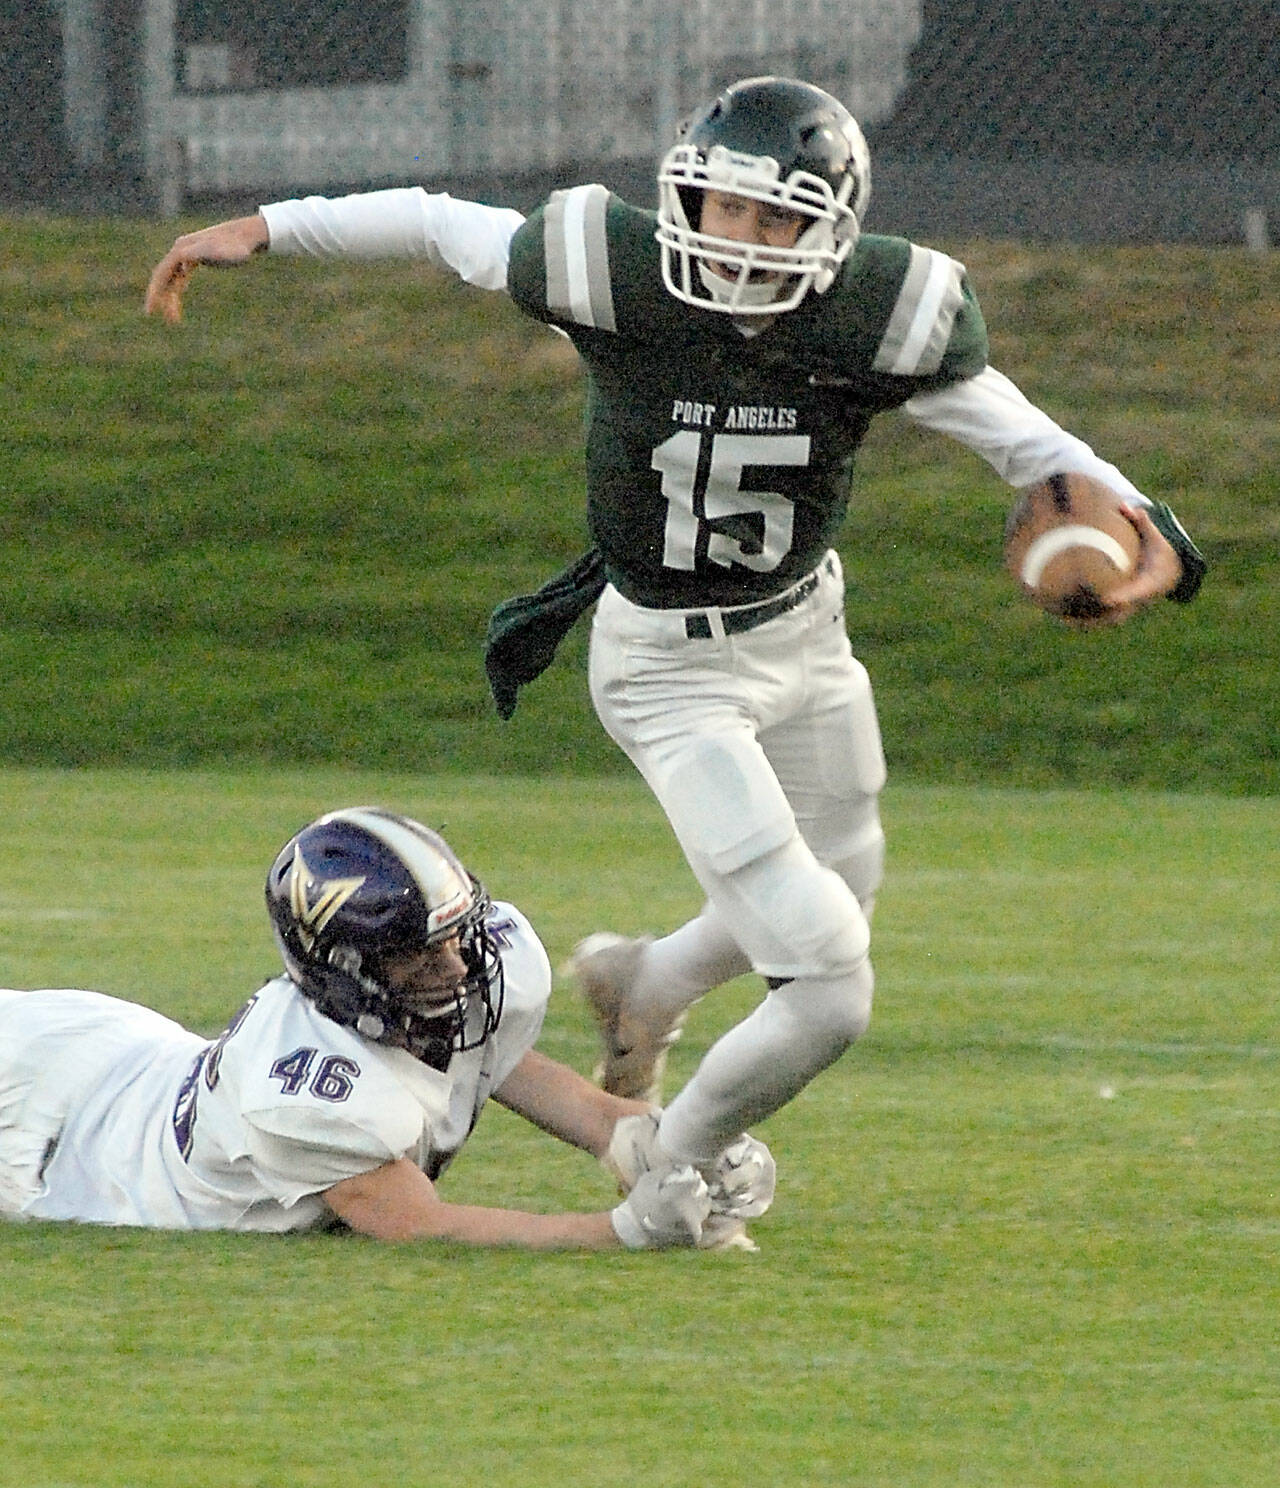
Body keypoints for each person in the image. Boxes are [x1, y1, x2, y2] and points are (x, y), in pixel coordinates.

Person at [144, 77, 1205, 1190]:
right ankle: (665, 1164)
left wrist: (1157, 545)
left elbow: (1035, 451)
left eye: (774, 216)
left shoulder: (876, 312)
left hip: (805, 633)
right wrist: (261, 229)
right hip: (667, 668)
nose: (740, 239)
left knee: (842, 889)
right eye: (720, 207)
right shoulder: (613, 269)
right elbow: (433, 222)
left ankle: (645, 987)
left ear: (832, 228)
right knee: (828, 973)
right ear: (680, 199)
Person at [0, 807, 774, 1249]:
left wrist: (662, 1138)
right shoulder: (307, 1089)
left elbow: (498, 1062)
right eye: (412, 951)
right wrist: (619, 1234)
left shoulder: (471, 967)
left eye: (452, 935)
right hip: (47, 1129)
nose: (453, 965)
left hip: (120, 1053)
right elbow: (419, 1226)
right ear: (340, 965)